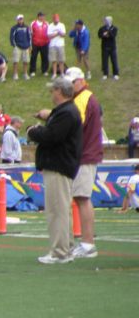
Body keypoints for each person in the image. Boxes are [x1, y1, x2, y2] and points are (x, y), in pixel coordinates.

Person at [26, 77, 82, 264]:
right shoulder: (66, 112)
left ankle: (59, 251)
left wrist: (32, 131)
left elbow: (52, 136)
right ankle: (66, 247)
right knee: (62, 210)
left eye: (53, 91)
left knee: (56, 210)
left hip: (58, 165)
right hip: (62, 164)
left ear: (59, 91)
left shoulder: (66, 113)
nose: (51, 94)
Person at [63, 67, 103, 259]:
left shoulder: (83, 98)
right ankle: (87, 243)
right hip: (87, 153)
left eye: (71, 83)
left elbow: (73, 125)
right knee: (81, 198)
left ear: (80, 81)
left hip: (85, 154)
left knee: (82, 197)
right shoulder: (85, 97)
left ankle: (88, 244)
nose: (69, 86)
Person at [10, 14, 32, 80]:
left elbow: (30, 36)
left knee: (26, 61)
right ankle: (15, 74)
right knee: (16, 61)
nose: (21, 20)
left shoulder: (27, 27)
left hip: (26, 47)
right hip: (18, 47)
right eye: (19, 19)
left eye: (21, 19)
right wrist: (15, 45)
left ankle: (25, 74)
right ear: (17, 20)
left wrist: (30, 45)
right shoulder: (14, 28)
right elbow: (12, 37)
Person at [97, 16, 119, 80]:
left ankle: (116, 74)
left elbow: (113, 36)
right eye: (105, 20)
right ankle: (105, 74)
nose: (105, 22)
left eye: (106, 21)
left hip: (112, 47)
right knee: (105, 61)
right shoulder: (102, 28)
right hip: (104, 47)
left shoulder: (114, 28)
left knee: (114, 61)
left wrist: (108, 32)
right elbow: (99, 35)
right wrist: (104, 35)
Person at [30, 11, 50, 77]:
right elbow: (31, 33)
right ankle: (32, 70)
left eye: (43, 16)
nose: (42, 17)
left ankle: (44, 70)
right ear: (38, 16)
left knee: (45, 57)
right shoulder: (33, 23)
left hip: (44, 43)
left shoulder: (46, 23)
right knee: (33, 57)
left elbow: (49, 33)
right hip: (35, 43)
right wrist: (31, 43)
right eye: (41, 16)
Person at [47, 13, 66, 78]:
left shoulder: (62, 25)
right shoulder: (50, 26)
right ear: (53, 19)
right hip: (52, 45)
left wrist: (58, 33)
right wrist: (57, 33)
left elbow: (63, 34)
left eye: (57, 19)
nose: (56, 20)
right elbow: (49, 36)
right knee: (54, 60)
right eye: (55, 19)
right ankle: (54, 73)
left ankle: (62, 73)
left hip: (60, 45)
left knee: (61, 60)